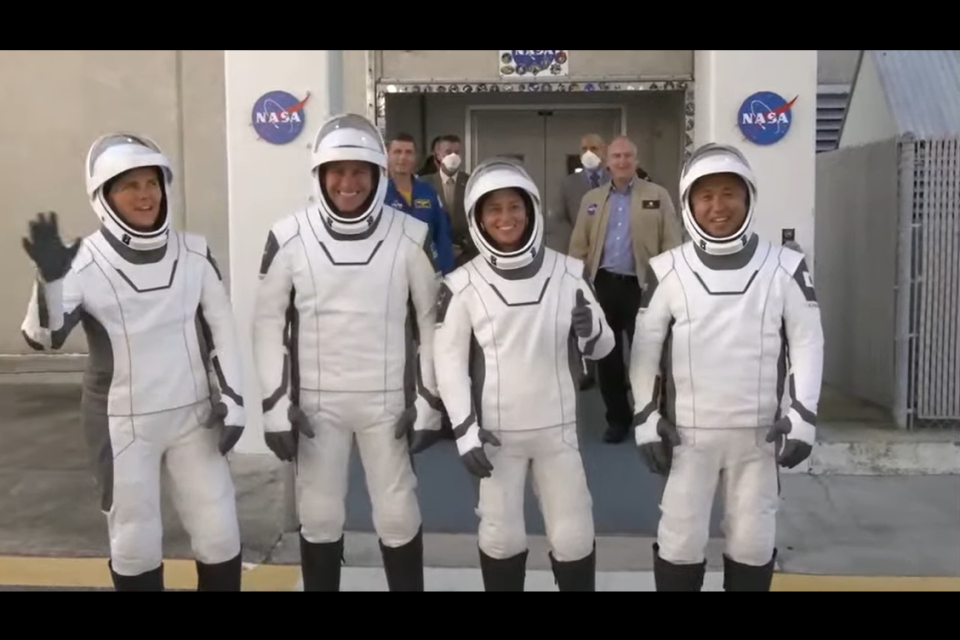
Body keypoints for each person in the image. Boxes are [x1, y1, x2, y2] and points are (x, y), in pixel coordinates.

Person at [20, 133, 246, 591]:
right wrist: (49, 279)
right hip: (121, 422)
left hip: (194, 415)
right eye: (130, 186)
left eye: (152, 183)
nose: (146, 195)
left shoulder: (195, 252)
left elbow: (221, 329)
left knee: (220, 535)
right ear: (105, 196)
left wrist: (236, 401)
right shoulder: (81, 260)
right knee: (135, 542)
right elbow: (45, 338)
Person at [253, 114, 443, 592]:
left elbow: (430, 323)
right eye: (337, 170)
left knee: (398, 514)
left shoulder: (410, 235)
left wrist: (427, 401)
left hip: (387, 405)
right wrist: (275, 406)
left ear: (379, 174)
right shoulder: (287, 235)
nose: (348, 182)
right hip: (317, 407)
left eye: (360, 171)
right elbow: (268, 323)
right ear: (319, 175)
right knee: (319, 515)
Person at [630, 143, 824, 591]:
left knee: (753, 543)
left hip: (758, 437)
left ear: (748, 197)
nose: (718, 206)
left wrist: (803, 415)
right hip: (687, 438)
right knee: (679, 540)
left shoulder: (786, 267)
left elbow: (808, 342)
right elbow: (644, 349)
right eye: (706, 195)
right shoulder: (667, 270)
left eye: (729, 193)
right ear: (689, 203)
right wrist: (645, 416)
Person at [427, 157, 615, 591]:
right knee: (501, 535)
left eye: (515, 206)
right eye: (494, 210)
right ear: (478, 219)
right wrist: (464, 430)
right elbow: (448, 363)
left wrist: (593, 330)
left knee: (573, 535)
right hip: (496, 436)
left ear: (530, 208)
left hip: (559, 432)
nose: (506, 218)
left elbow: (602, 349)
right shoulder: (462, 284)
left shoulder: (568, 272)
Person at [568, 135, 683, 444]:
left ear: (636, 159)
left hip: (643, 287)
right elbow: (578, 246)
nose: (621, 161)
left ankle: (650, 416)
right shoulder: (592, 199)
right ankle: (617, 419)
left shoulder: (657, 196)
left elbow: (672, 243)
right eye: (616, 156)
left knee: (647, 356)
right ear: (607, 161)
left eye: (627, 156)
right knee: (607, 356)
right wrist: (577, 285)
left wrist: (666, 286)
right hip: (603, 286)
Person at [385, 132, 455, 275]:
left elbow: (442, 236)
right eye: (397, 152)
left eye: (408, 152)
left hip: (426, 272)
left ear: (415, 158)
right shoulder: (379, 194)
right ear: (388, 156)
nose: (403, 157)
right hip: (391, 274)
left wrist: (446, 273)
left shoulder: (428, 193)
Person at [546, 133, 610, 254]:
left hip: (610, 251)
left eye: (594, 148)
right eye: (584, 149)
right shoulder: (569, 183)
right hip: (579, 251)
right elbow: (558, 219)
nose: (588, 153)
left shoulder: (615, 181)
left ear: (604, 151)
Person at [422, 134, 474, 268]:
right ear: (438, 155)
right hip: (433, 257)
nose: (453, 156)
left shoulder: (471, 183)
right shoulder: (424, 184)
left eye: (457, 152)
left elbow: (478, 217)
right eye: (448, 152)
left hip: (466, 257)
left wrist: (464, 244)